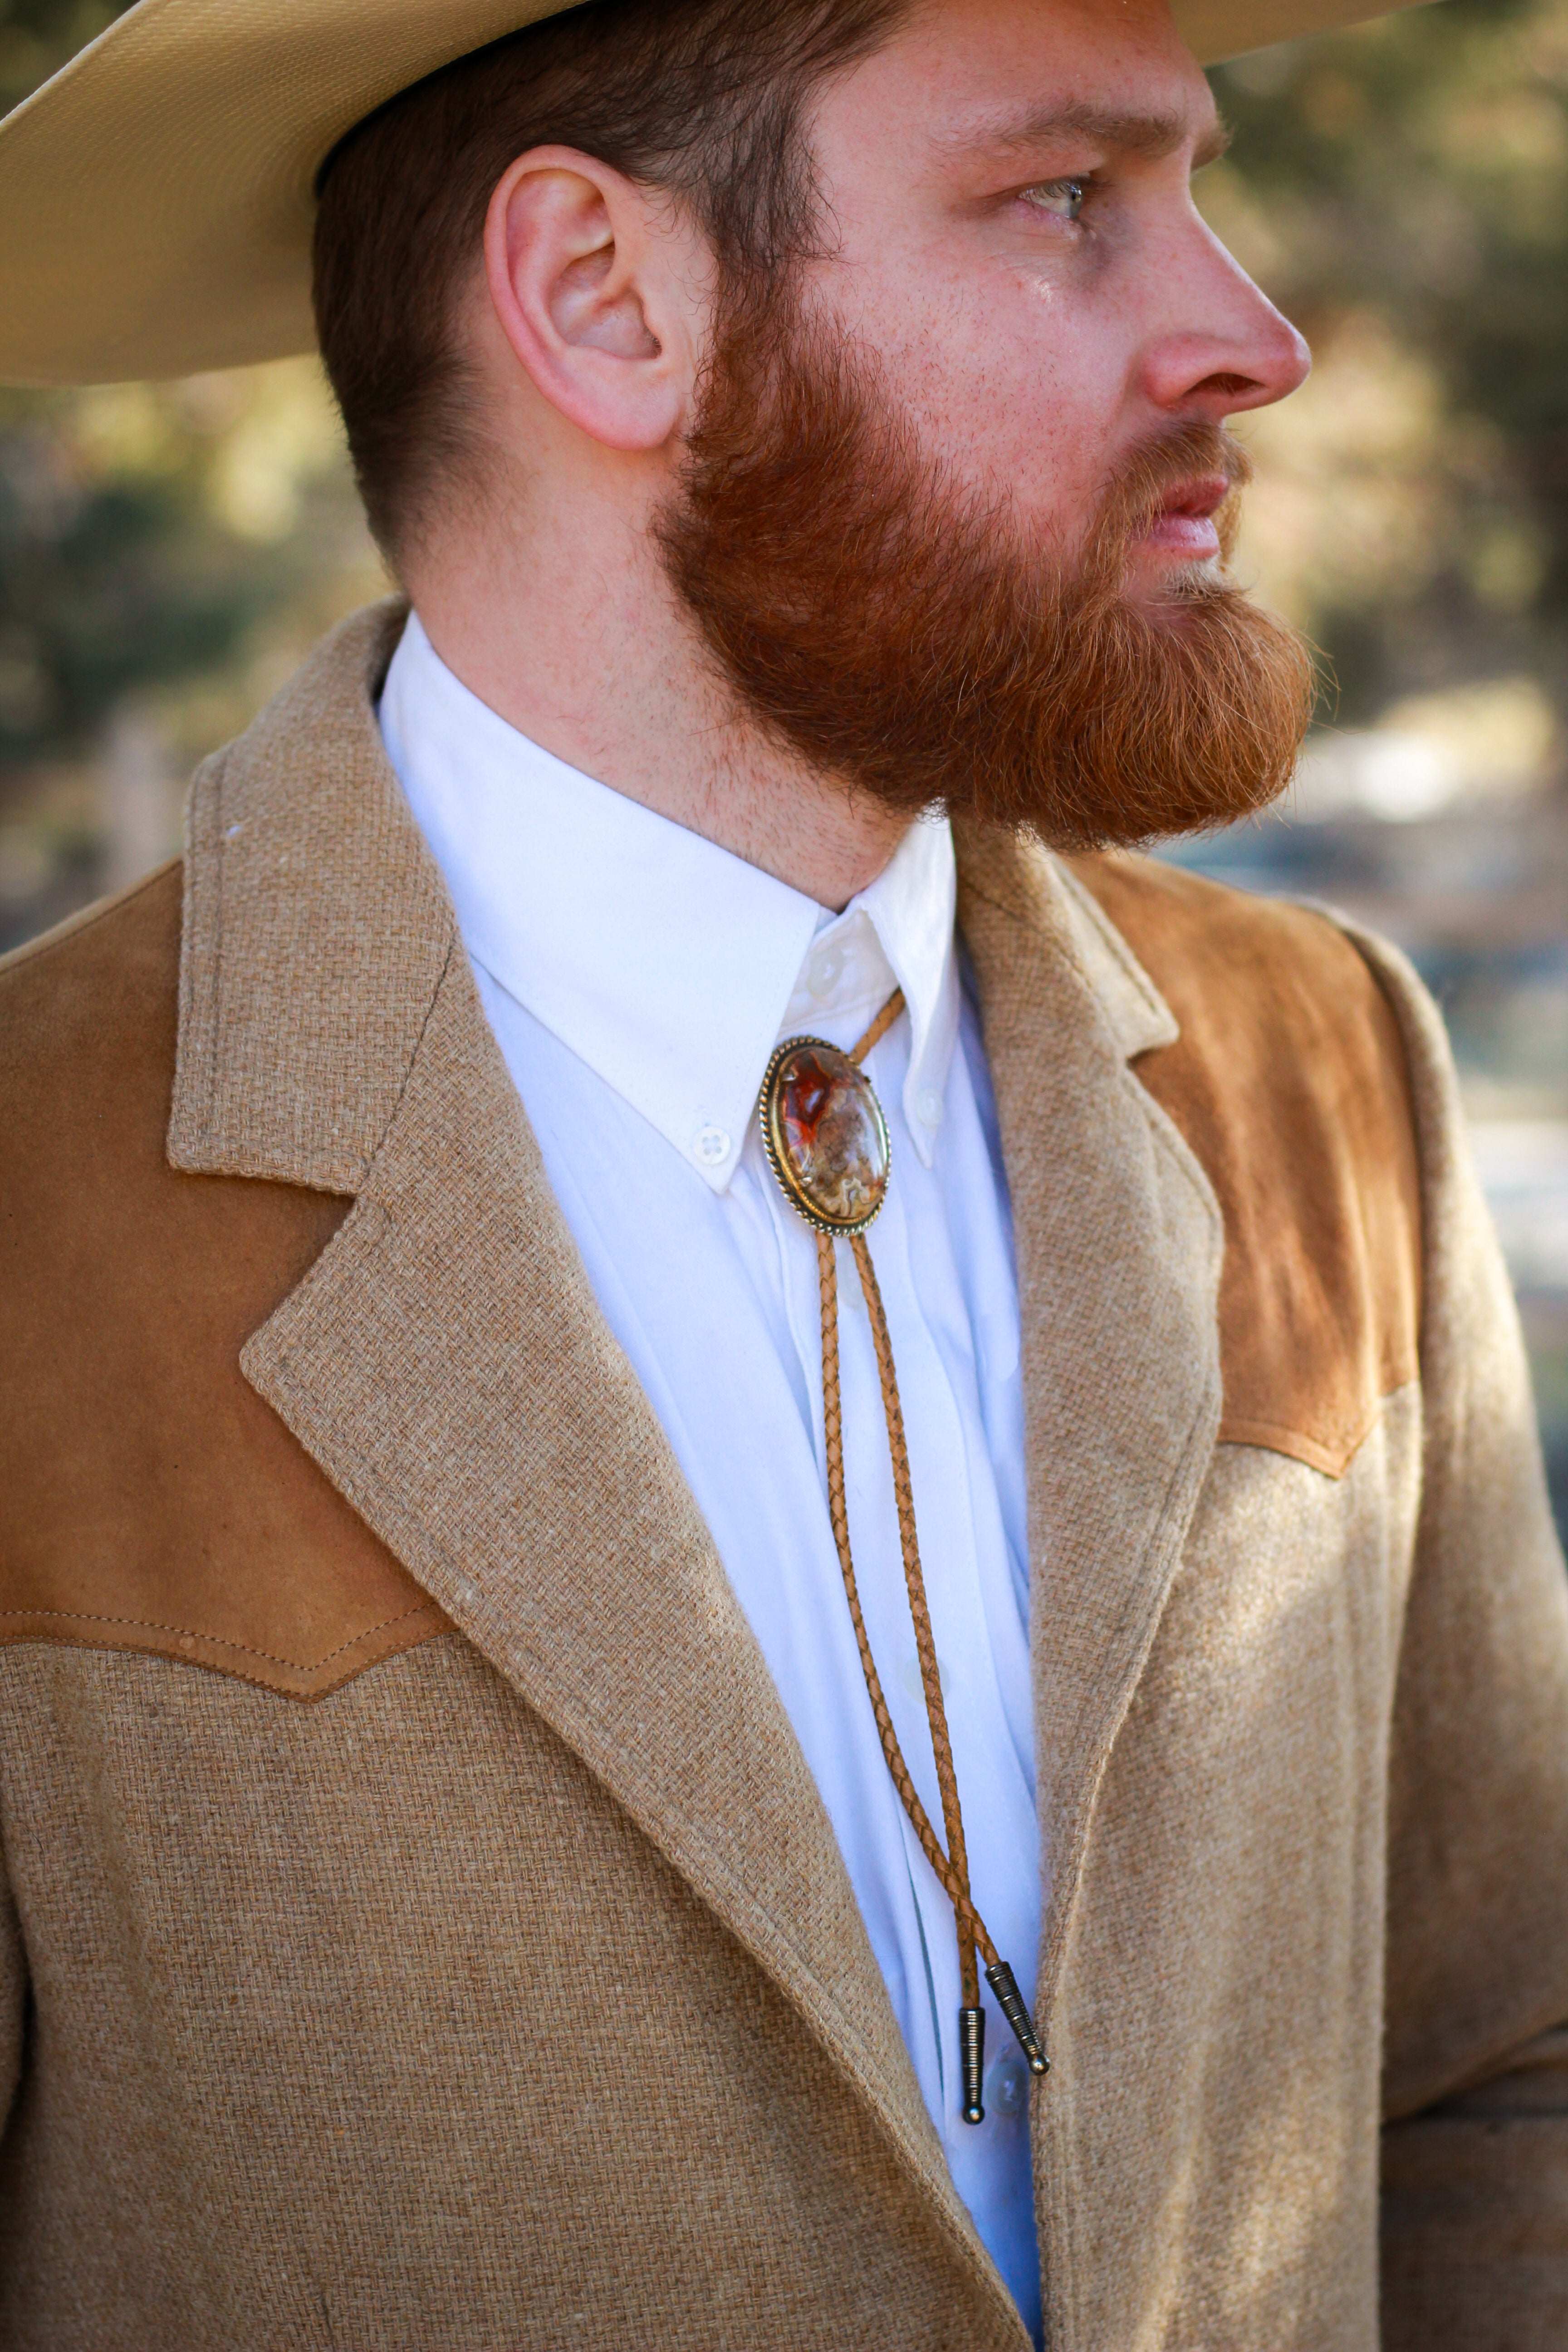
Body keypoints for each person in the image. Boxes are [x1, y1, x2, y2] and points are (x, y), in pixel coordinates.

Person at [0, 0, 1564, 2340]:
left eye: (1201, 187)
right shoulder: (34, 1209)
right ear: (606, 302)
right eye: (1066, 197)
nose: (1254, 334)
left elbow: (1497, 2086)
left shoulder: (1316, 1064)